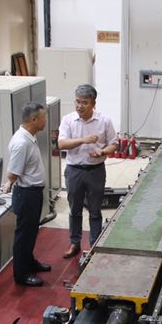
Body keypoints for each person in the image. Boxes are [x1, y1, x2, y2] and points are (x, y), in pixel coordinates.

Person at [57, 84, 117, 258]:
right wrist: (83, 140)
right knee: (74, 209)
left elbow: (113, 144)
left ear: (93, 104)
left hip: (95, 171)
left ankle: (94, 245)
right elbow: (61, 144)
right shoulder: (68, 120)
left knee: (95, 210)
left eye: (84, 102)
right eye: (77, 101)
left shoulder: (104, 121)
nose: (80, 106)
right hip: (74, 171)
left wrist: (102, 152)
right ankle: (74, 243)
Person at [3, 102, 50, 287]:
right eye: (43, 117)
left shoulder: (29, 137)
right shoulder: (21, 143)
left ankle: (29, 262)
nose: (45, 120)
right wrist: (9, 182)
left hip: (33, 193)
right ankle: (21, 274)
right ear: (33, 119)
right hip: (26, 195)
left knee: (31, 233)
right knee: (24, 236)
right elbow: (12, 174)